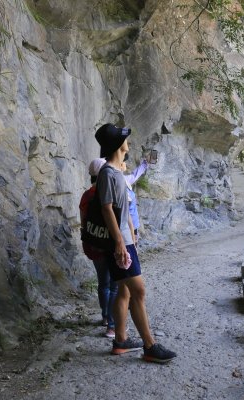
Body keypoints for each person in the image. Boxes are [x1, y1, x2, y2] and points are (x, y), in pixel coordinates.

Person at [95, 123, 177, 363]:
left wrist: (129, 236)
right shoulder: (108, 174)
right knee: (138, 290)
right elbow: (107, 209)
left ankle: (120, 340)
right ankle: (150, 346)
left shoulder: (115, 172)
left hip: (124, 241)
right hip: (119, 244)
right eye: (125, 140)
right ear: (117, 146)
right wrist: (120, 242)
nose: (128, 142)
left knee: (125, 290)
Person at [79, 158, 119, 338]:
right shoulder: (108, 192)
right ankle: (112, 322)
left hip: (94, 243)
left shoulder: (86, 196)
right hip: (110, 243)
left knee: (103, 282)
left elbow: (83, 221)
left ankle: (104, 316)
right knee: (114, 285)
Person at [121, 158, 148, 244]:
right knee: (130, 252)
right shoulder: (120, 183)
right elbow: (125, 212)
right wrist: (132, 234)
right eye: (123, 161)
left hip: (133, 224)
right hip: (128, 227)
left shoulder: (124, 179)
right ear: (119, 165)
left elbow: (134, 175)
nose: (126, 163)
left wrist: (145, 163)